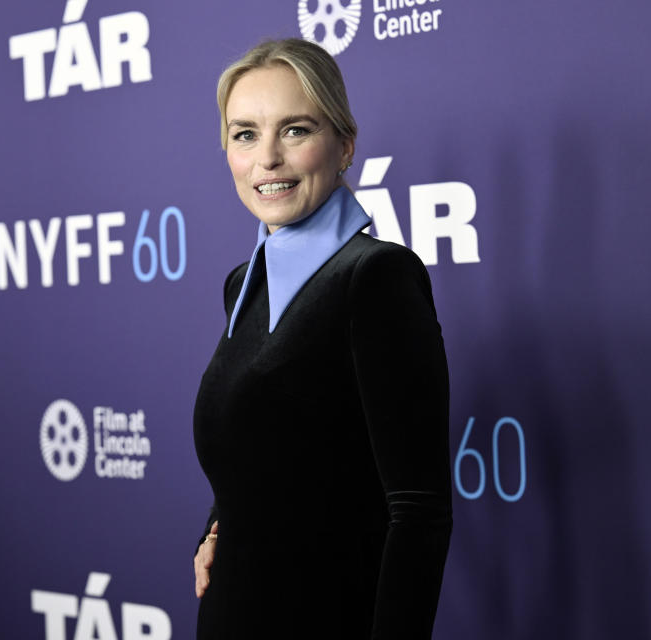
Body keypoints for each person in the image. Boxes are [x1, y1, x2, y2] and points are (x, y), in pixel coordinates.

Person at [192, 38, 452, 639]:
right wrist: (219, 527)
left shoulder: (376, 278)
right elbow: (260, 450)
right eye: (245, 134)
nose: (268, 160)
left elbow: (418, 513)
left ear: (344, 145)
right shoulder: (243, 285)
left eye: (296, 130)